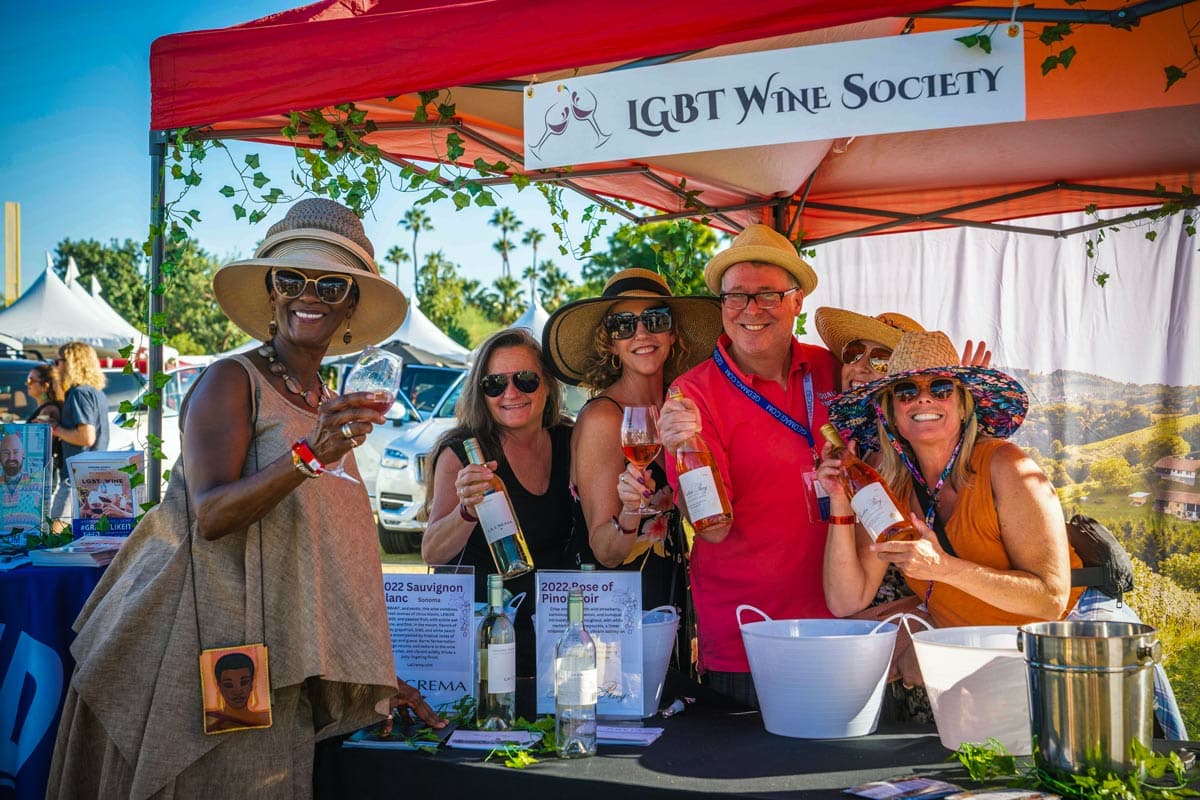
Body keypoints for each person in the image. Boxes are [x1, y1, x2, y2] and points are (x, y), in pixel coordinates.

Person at [48, 198, 442, 800]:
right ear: (272, 292)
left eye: (332, 285)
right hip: (202, 642)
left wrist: (376, 675)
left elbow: (324, 554)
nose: (309, 295)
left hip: (277, 656)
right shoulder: (233, 381)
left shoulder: (324, 400)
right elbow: (210, 514)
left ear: (350, 306)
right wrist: (310, 455)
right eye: (292, 279)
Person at [658, 224, 839, 709]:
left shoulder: (831, 369)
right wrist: (687, 445)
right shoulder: (690, 397)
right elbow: (712, 530)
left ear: (796, 301)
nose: (751, 310)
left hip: (845, 623)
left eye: (768, 295)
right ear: (722, 306)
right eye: (737, 296)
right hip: (747, 635)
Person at [820, 329, 1083, 628]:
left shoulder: (1007, 466)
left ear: (962, 406)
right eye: (906, 391)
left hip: (1052, 643)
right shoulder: (892, 483)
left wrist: (942, 568)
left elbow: (1050, 600)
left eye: (941, 388)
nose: (923, 399)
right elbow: (846, 601)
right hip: (969, 646)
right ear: (891, 413)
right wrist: (840, 503)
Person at [542, 268, 722, 614]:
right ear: (610, 342)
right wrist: (629, 511)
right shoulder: (602, 419)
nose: (641, 333)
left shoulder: (676, 409)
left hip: (667, 594)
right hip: (610, 610)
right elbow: (605, 551)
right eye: (623, 324)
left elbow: (705, 516)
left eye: (656, 319)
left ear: (673, 334)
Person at [421, 328, 575, 676]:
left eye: (525, 379)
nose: (511, 393)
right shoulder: (462, 452)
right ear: (481, 392)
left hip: (555, 635)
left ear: (547, 384)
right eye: (494, 383)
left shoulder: (569, 440)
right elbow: (432, 551)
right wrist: (467, 511)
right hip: (488, 637)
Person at [48, 342, 111, 531]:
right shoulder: (95, 393)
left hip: (76, 478)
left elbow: (86, 437)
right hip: (94, 477)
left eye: (57, 361)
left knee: (55, 535)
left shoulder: (78, 394)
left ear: (71, 363)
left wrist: (55, 428)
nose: (55, 367)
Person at [205, 652, 274, 733]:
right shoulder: (213, 721)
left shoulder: (265, 717)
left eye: (244, 682)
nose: (237, 691)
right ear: (219, 687)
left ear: (251, 684)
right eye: (229, 685)